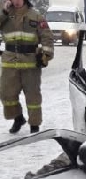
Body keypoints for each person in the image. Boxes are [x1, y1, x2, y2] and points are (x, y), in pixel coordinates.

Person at [0, 0, 53, 134]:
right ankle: (18, 118)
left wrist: (46, 55)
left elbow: (47, 37)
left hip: (31, 64)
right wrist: (4, 12)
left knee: (33, 96)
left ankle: (34, 125)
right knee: (7, 94)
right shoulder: (5, 14)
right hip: (9, 62)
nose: (16, 2)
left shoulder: (36, 16)